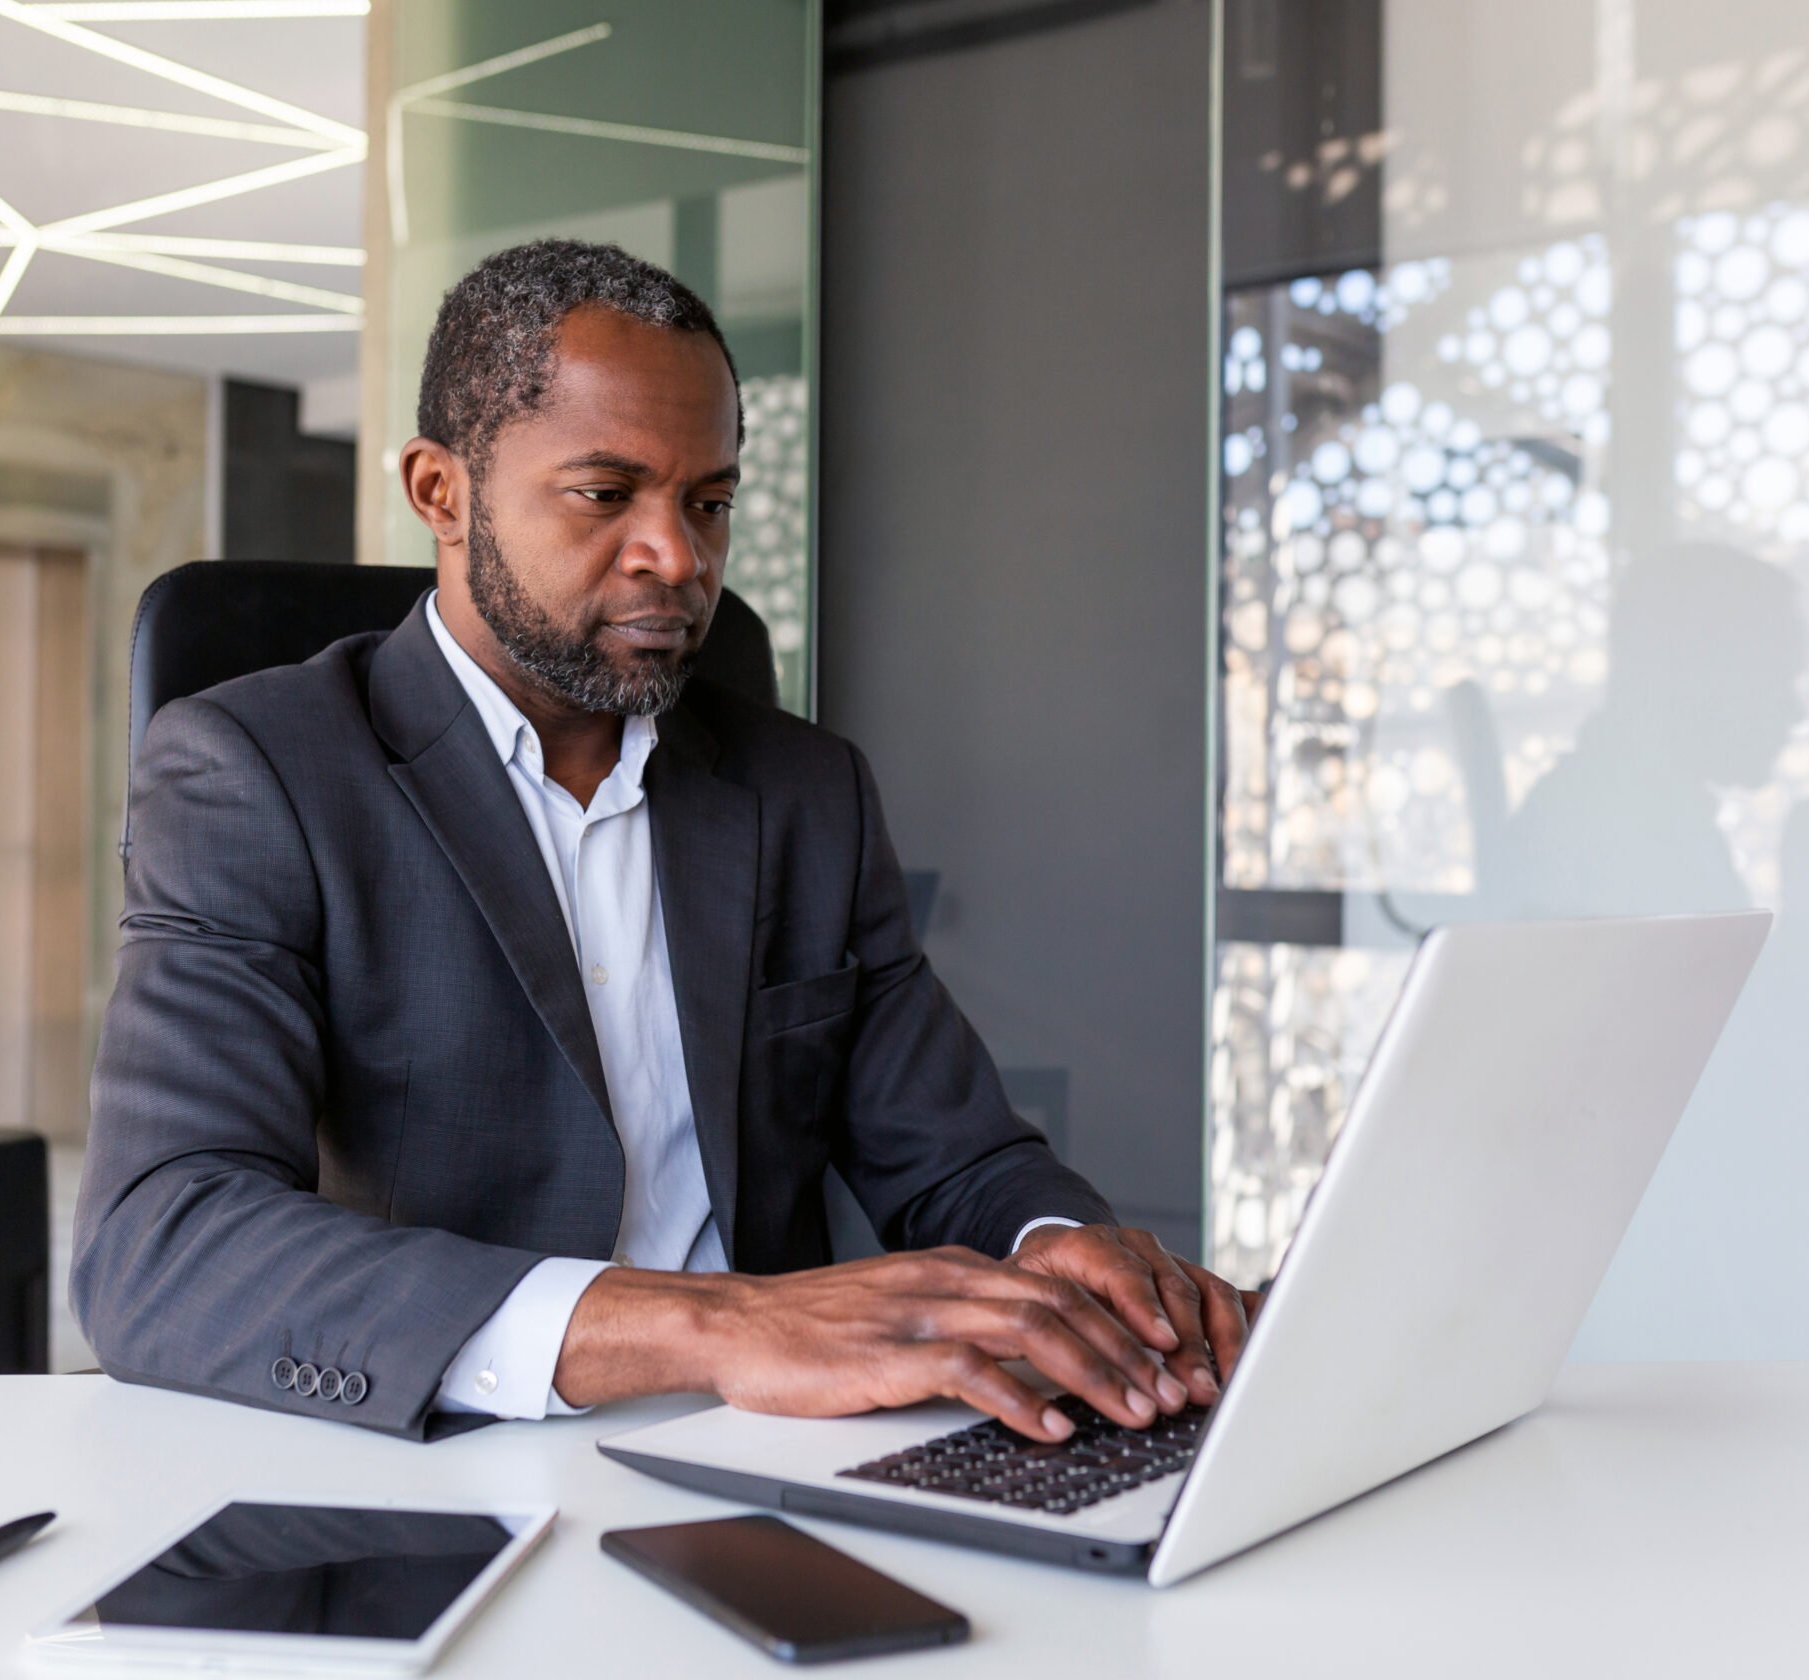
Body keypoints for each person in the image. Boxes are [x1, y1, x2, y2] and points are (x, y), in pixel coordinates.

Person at [74, 239, 1250, 1445]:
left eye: (709, 500)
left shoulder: (804, 792)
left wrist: (1060, 1251)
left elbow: (954, 1159)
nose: (678, 557)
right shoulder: (255, 770)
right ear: (441, 492)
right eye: (604, 493)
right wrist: (717, 1326)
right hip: (448, 1460)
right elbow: (164, 1243)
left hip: (776, 1452)